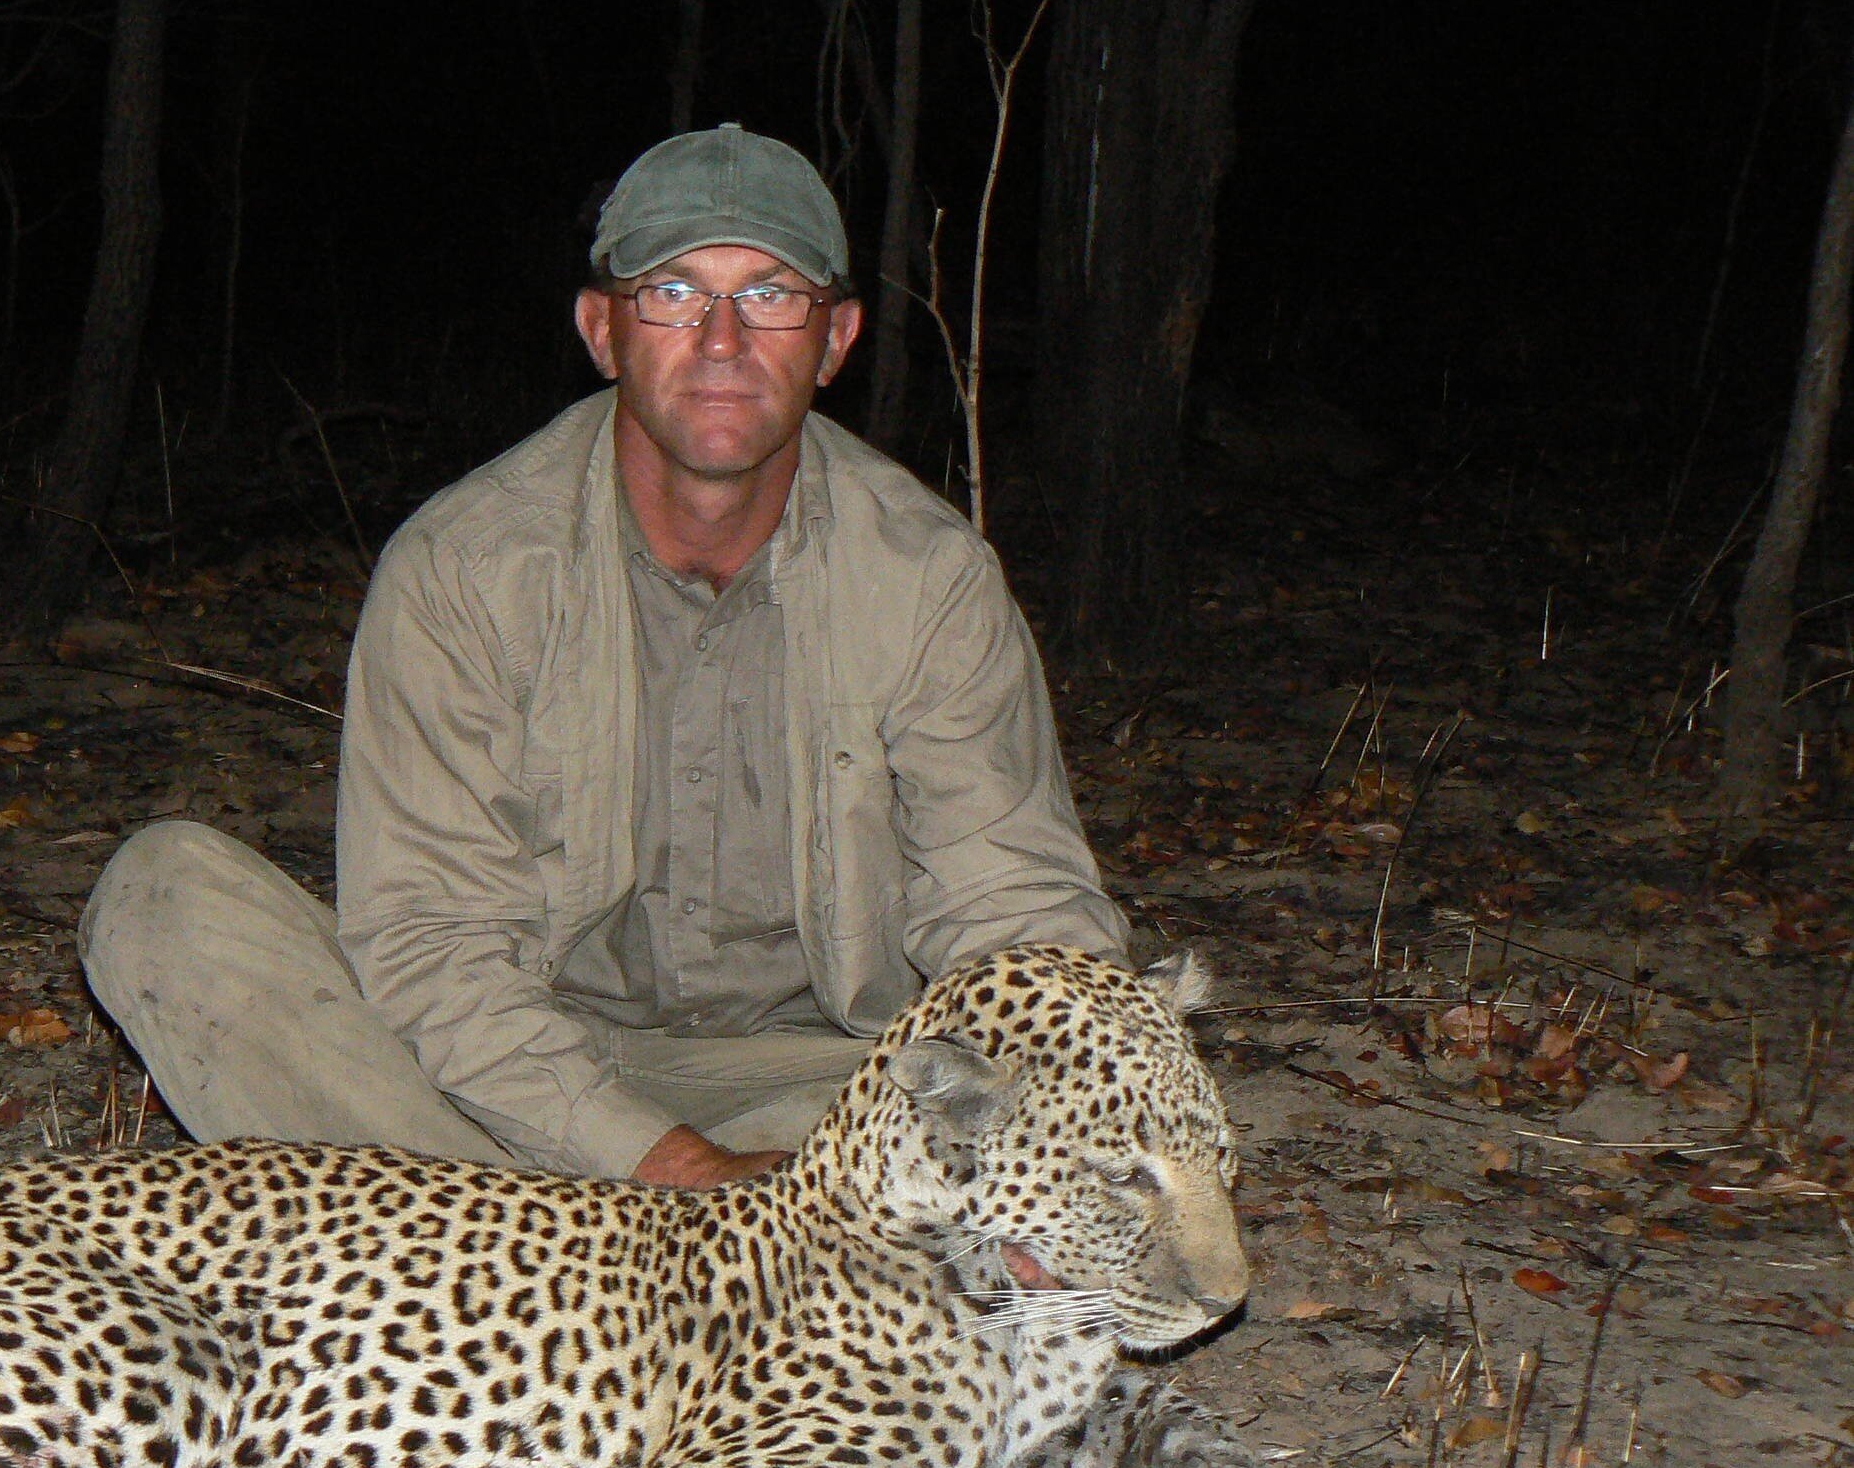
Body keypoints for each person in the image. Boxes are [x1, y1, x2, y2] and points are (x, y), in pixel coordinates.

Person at [81, 125, 1127, 1188]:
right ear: (603, 329)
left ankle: (518, 1273)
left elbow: (1016, 909)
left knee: (978, 1123)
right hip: (496, 1080)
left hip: (822, 1088)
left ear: (836, 337)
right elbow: (431, 947)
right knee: (165, 898)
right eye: (671, 292)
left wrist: (1061, 1121)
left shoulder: (927, 576)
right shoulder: (465, 567)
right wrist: (663, 1164)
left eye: (771, 294)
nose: (722, 339)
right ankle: (653, 1265)